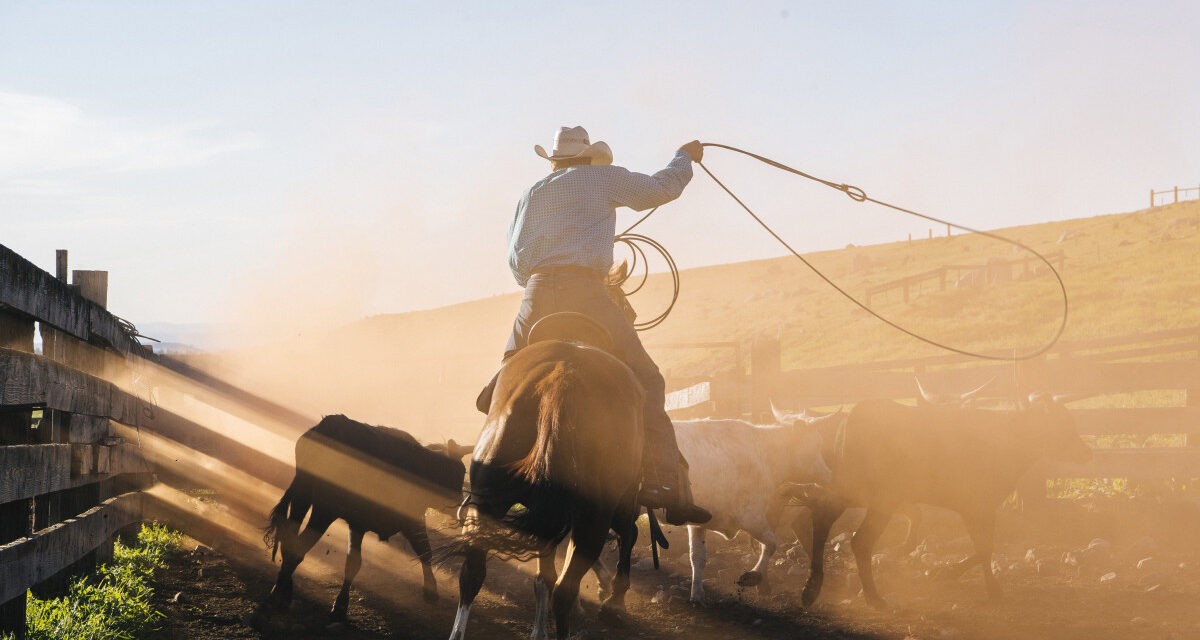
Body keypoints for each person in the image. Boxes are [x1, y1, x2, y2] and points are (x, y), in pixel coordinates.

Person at [479, 125, 711, 526]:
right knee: (649, 380)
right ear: (588, 157)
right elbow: (662, 188)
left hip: (534, 296)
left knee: (499, 385)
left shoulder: (532, 193)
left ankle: (485, 487)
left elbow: (517, 262)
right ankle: (662, 482)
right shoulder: (604, 177)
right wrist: (684, 157)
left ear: (553, 160)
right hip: (587, 292)